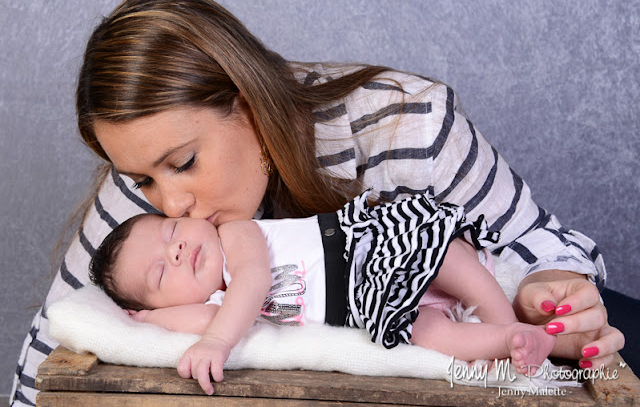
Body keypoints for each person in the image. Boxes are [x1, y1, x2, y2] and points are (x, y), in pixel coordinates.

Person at [11, 0, 625, 405]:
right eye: (142, 179)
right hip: (416, 328)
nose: (169, 206)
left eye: (184, 164)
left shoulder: (400, 122)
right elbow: (46, 357)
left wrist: (551, 282)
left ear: (248, 107)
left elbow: (545, 240)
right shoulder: (148, 209)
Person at [89, 191, 556, 395]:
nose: (177, 251)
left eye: (172, 231)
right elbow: (203, 322)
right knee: (427, 332)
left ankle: (502, 319)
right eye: (160, 274)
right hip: (367, 302)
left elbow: (251, 285)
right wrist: (152, 321)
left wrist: (215, 343)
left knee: (450, 259)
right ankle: (510, 345)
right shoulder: (218, 306)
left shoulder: (236, 235)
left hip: (366, 249)